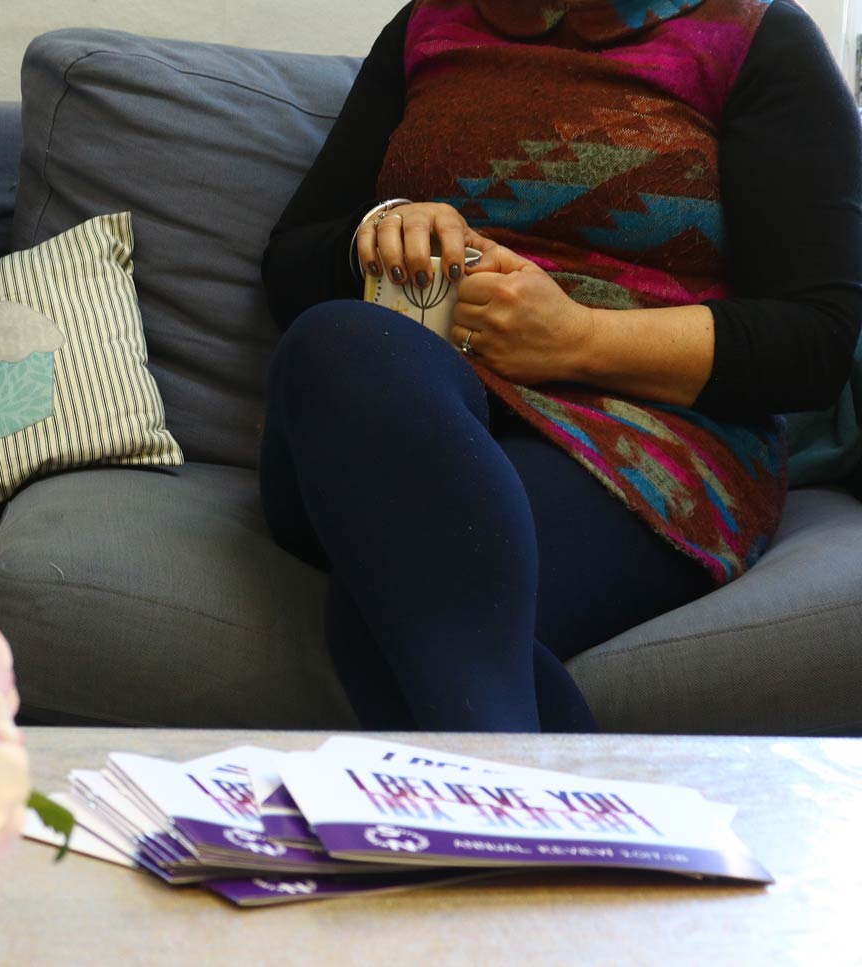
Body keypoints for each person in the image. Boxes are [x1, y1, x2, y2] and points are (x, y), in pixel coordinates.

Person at [260, 0, 862, 731]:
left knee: (400, 608)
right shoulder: (428, 26)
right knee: (340, 340)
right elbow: (290, 263)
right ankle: (560, 824)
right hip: (392, 410)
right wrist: (378, 230)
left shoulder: (755, 37)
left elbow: (816, 340)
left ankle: (519, 822)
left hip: (642, 436)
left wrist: (575, 337)